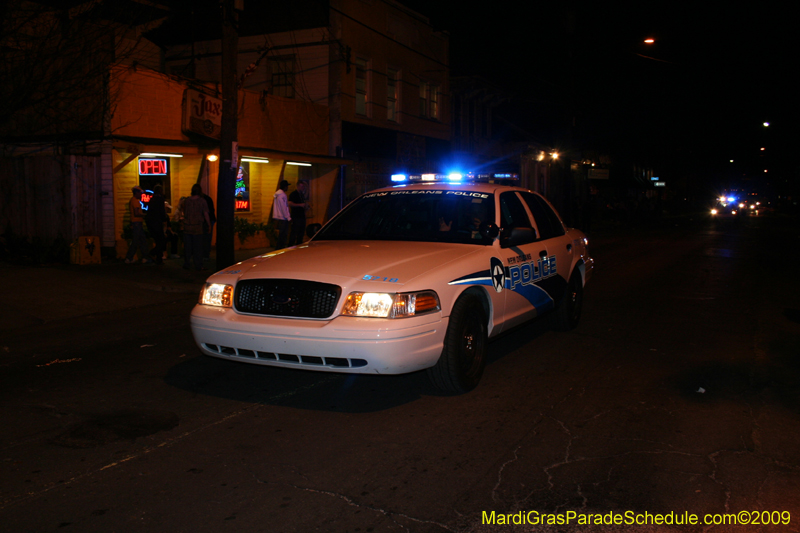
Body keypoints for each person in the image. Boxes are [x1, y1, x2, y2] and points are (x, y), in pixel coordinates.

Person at [183, 184, 211, 271]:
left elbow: (183, 211)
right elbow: (206, 213)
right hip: (198, 227)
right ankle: (198, 265)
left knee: (188, 247)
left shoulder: (186, 201)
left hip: (187, 226)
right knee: (198, 247)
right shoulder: (202, 201)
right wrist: (209, 224)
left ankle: (187, 263)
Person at [124, 186, 150, 264]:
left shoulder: (134, 200)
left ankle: (142, 257)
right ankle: (130, 258)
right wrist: (145, 215)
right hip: (137, 223)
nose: (141, 195)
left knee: (140, 241)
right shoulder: (135, 201)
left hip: (136, 223)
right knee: (138, 241)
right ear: (136, 193)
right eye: (140, 193)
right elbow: (136, 213)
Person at [144, 184, 168, 265]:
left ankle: (158, 258)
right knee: (161, 241)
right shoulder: (160, 199)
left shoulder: (152, 199)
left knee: (158, 240)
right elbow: (161, 211)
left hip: (151, 222)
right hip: (157, 222)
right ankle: (154, 253)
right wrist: (164, 219)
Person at [287, 180, 309, 246]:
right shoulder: (293, 194)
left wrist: (306, 207)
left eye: (304, 187)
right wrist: (300, 205)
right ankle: (291, 246)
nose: (303, 188)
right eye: (302, 186)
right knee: (294, 232)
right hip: (296, 216)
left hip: (302, 216)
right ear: (298, 186)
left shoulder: (302, 195)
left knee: (301, 232)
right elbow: (290, 203)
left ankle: (299, 245)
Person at [273, 180, 291, 249]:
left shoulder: (277, 195)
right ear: (285, 187)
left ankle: (279, 247)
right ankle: (280, 248)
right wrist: (288, 217)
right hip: (283, 218)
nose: (287, 188)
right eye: (287, 186)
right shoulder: (282, 195)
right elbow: (284, 207)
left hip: (279, 217)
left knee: (281, 234)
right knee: (283, 234)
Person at [202, 191, 216, 260]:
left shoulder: (203, 200)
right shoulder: (208, 199)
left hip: (206, 221)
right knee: (207, 238)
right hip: (209, 220)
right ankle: (206, 254)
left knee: (205, 238)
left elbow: (207, 212)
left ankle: (205, 254)